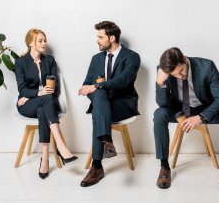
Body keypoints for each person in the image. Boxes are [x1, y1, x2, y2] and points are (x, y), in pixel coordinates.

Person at [153, 47, 219, 189]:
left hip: (203, 108)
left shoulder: (207, 66)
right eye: (175, 75)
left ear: (184, 58)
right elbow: (163, 104)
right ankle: (164, 166)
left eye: (181, 71)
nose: (180, 76)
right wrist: (160, 84)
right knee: (159, 114)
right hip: (179, 109)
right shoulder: (163, 71)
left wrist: (200, 117)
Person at [78, 21, 140, 187]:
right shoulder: (96, 59)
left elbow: (123, 81)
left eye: (100, 37)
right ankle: (106, 143)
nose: (97, 40)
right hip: (101, 105)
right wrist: (92, 90)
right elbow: (87, 84)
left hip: (124, 104)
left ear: (112, 38)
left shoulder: (132, 57)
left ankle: (96, 166)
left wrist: (98, 86)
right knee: (99, 101)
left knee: (98, 104)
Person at [15, 28, 77, 179]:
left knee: (45, 105)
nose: (44, 43)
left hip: (45, 102)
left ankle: (45, 157)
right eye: (40, 41)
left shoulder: (50, 61)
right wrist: (35, 94)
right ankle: (61, 146)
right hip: (27, 105)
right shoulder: (20, 62)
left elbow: (53, 87)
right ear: (30, 43)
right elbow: (22, 89)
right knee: (45, 100)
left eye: (45, 40)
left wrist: (37, 94)